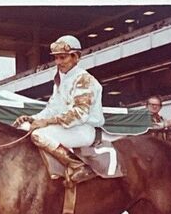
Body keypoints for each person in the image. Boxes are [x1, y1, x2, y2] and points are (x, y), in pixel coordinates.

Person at [12, 35, 104, 180]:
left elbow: (80, 113)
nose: (58, 62)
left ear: (76, 57)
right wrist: (32, 119)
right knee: (22, 128)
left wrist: (47, 122)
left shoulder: (84, 79)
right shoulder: (61, 80)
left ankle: (77, 165)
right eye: (56, 58)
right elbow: (51, 110)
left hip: (83, 129)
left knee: (38, 135)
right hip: (67, 128)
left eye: (63, 57)